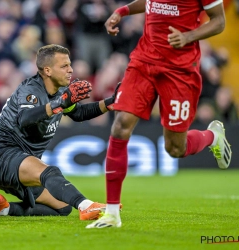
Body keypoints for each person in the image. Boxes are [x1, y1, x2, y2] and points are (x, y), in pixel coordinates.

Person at [86, 0, 232, 228]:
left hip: (179, 70)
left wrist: (188, 37)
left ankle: (213, 136)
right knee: (120, 124)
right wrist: (122, 11)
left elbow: (219, 21)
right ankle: (112, 213)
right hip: (144, 62)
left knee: (175, 148)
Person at [0, 44, 120, 220]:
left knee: (63, 207)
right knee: (50, 172)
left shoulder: (59, 92)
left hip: (23, 161)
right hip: (1, 156)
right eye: (64, 66)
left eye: (70, 65)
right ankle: (86, 206)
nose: (71, 70)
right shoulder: (30, 90)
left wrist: (110, 103)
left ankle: (1, 209)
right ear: (47, 70)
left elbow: (79, 113)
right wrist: (59, 103)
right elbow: (25, 118)